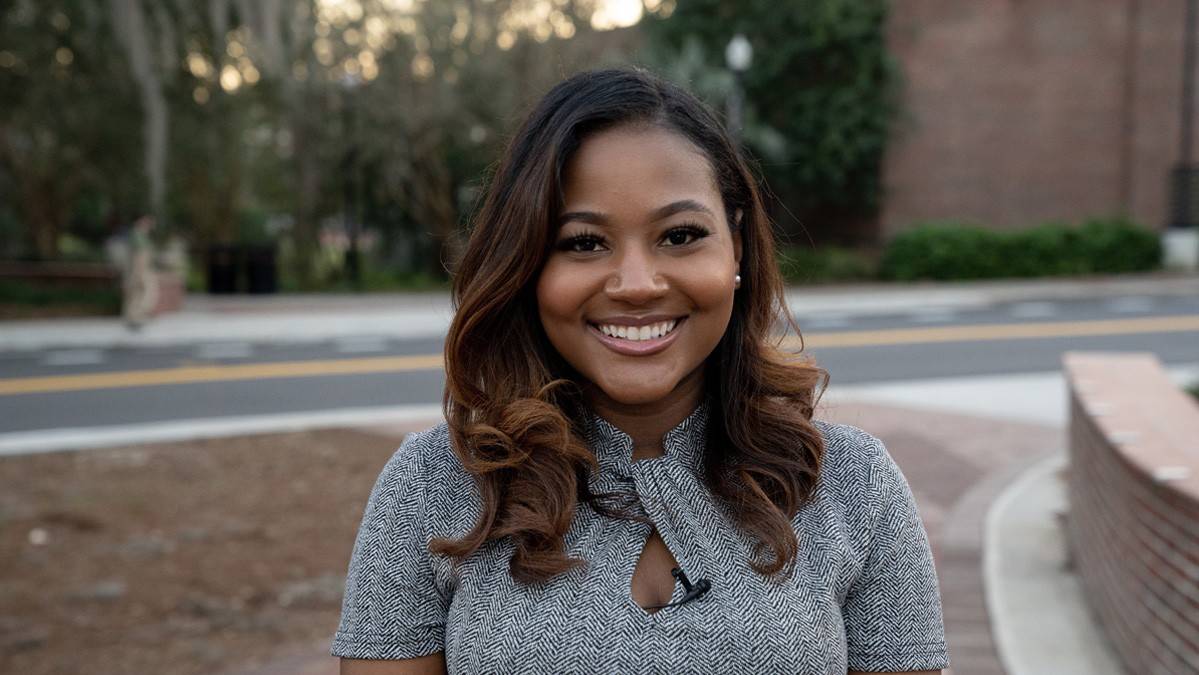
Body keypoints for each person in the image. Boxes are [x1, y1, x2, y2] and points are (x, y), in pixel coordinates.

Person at [331, 68, 949, 674]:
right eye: (582, 242)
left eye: (680, 235)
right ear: (526, 265)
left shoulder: (853, 486)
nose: (637, 285)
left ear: (735, 245)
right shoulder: (433, 485)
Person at [121, 214, 158, 331]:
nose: (150, 224)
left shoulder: (139, 235)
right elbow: (140, 255)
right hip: (140, 269)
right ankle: (136, 316)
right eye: (147, 221)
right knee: (147, 293)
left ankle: (134, 318)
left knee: (136, 294)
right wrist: (138, 272)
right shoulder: (138, 235)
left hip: (139, 269)